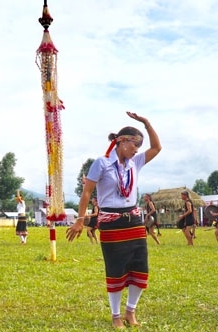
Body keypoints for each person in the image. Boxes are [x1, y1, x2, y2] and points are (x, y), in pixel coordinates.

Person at [66, 112, 161, 329]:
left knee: (140, 267)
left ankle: (131, 312)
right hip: (110, 222)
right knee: (116, 269)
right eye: (134, 144)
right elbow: (86, 193)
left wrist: (146, 123)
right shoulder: (101, 163)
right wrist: (80, 220)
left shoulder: (134, 162)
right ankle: (116, 315)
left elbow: (157, 148)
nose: (137, 150)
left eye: (139, 146)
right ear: (120, 141)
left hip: (134, 221)